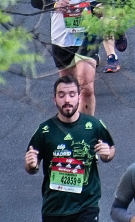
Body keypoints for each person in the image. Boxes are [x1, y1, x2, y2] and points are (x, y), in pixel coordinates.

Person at [25, 76, 115, 222]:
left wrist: (107, 155)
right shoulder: (44, 131)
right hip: (54, 209)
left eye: (72, 94)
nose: (67, 100)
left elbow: (110, 150)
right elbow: (31, 166)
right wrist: (31, 165)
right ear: (54, 99)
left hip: (86, 206)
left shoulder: (94, 125)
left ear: (79, 97)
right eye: (62, 95)